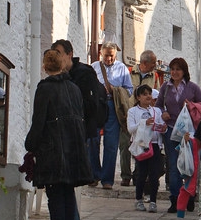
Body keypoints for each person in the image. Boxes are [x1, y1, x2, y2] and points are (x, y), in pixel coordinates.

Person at [25, 49, 93, 220]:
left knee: (55, 192)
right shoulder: (73, 88)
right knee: (67, 191)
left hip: (53, 147)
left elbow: (39, 120)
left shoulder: (45, 88)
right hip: (73, 146)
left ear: (45, 66)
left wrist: (31, 144)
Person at [51, 38, 106, 211]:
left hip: (82, 133)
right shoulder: (57, 77)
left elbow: (90, 106)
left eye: (59, 54)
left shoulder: (85, 73)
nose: (57, 58)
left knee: (73, 183)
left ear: (69, 54)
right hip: (62, 136)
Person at [156, 57, 201, 213]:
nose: (175, 72)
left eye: (178, 69)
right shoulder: (165, 87)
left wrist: (191, 106)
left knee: (189, 164)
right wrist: (163, 113)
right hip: (171, 130)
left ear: (184, 71)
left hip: (189, 132)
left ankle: (189, 196)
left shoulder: (192, 87)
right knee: (173, 165)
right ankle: (175, 199)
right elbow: (158, 105)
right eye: (172, 69)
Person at [91, 41, 133, 189]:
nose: (109, 58)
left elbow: (129, 90)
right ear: (101, 53)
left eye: (111, 56)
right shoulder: (94, 67)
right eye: (106, 55)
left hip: (112, 105)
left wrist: (115, 90)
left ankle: (107, 179)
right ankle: (94, 175)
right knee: (93, 139)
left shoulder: (122, 69)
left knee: (111, 142)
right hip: (97, 105)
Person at [123, 50, 159, 187]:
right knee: (125, 144)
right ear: (144, 63)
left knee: (143, 145)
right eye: (153, 62)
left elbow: (157, 94)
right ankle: (126, 175)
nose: (155, 65)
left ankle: (138, 175)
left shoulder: (154, 76)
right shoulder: (129, 71)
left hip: (146, 114)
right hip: (129, 113)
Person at [127, 84, 165, 213]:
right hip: (141, 144)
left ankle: (153, 201)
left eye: (149, 93)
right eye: (144, 94)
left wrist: (162, 128)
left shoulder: (156, 111)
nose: (148, 96)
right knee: (141, 173)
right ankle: (139, 199)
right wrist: (143, 123)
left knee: (154, 174)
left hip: (154, 144)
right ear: (138, 97)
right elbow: (130, 128)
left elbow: (160, 126)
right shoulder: (133, 111)